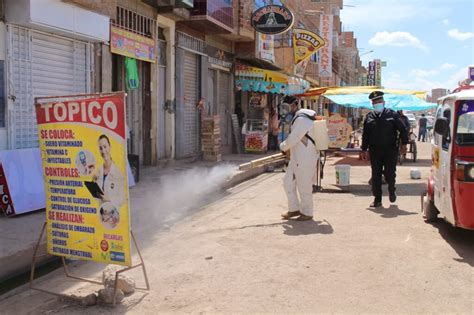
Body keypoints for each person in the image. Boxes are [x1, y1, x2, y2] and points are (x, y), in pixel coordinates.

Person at [361, 91, 408, 208]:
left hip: (390, 150)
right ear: (372, 104)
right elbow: (365, 135)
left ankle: (392, 190)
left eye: (378, 101)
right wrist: (363, 149)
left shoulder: (392, 115)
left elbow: (403, 129)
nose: (377, 103)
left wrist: (404, 144)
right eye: (374, 102)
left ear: (383, 102)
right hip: (375, 151)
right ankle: (377, 199)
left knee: (389, 173)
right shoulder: (369, 117)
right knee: (375, 174)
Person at [280, 96, 318, 221]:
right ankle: (294, 208)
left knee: (304, 184)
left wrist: (283, 146)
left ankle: (307, 212)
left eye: (287, 107)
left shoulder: (302, 119)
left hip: (306, 156)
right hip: (297, 156)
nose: (285, 110)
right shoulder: (297, 118)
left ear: (295, 105)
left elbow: (294, 137)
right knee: (288, 182)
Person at [93, 134, 125, 208]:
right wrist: (94, 185)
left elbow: (122, 199)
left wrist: (109, 199)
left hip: (113, 213)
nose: (103, 151)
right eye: (100, 148)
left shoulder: (118, 172)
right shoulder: (99, 171)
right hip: (102, 213)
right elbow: (96, 198)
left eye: (105, 147)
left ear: (110, 147)